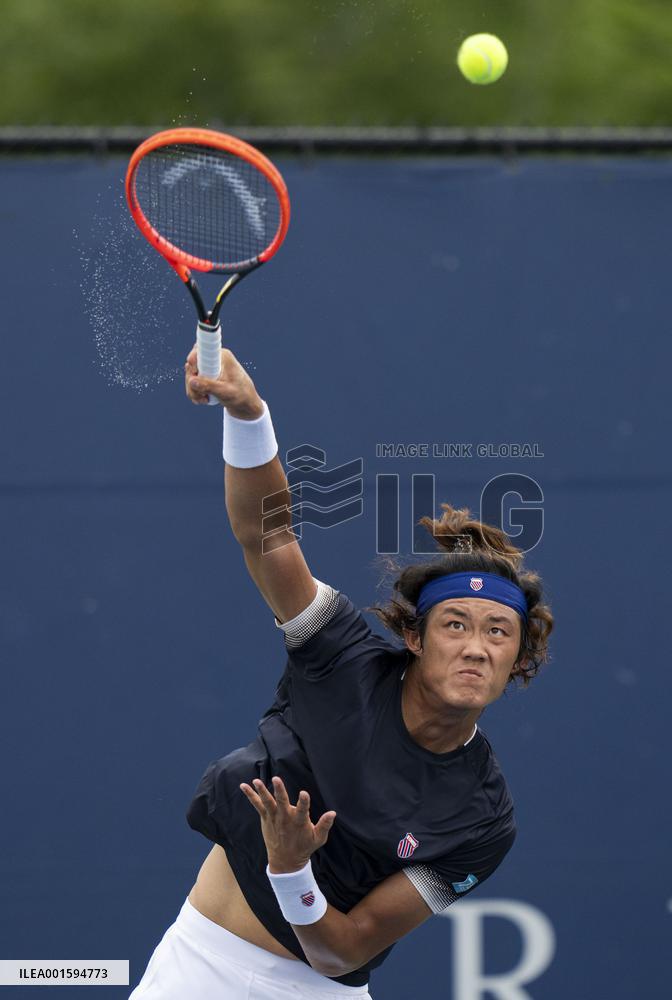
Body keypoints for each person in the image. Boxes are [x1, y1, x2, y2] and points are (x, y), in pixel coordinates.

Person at [128, 346, 553, 1000]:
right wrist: (248, 414)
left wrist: (292, 868)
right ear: (413, 636)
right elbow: (267, 536)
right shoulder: (339, 652)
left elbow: (342, 950)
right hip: (199, 966)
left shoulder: (484, 820)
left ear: (519, 660)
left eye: (498, 632)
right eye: (455, 625)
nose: (475, 648)